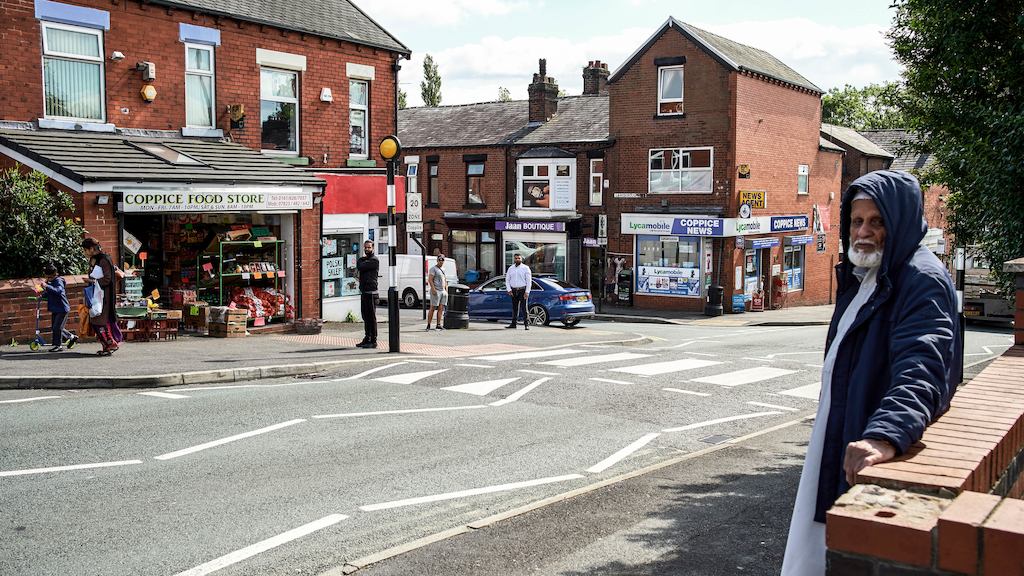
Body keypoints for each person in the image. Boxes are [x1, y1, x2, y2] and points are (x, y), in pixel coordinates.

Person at [781, 170, 961, 575]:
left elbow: (923, 365)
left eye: (877, 221)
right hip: (840, 433)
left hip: (863, 433)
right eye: (857, 221)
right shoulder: (872, 275)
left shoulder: (920, 279)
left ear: (899, 222)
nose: (864, 232)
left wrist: (885, 435)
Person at [81, 238, 121, 356]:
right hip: (96, 295)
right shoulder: (95, 260)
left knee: (98, 321)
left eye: (85, 250)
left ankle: (110, 343)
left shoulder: (104, 260)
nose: (84, 252)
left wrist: (92, 281)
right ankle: (106, 347)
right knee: (96, 320)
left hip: (104, 296)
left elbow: (107, 279)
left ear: (92, 249)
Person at [37, 263, 78, 352]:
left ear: (54, 275)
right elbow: (49, 293)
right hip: (55, 308)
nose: (47, 279)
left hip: (62, 308)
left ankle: (58, 345)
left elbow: (58, 291)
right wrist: (42, 295)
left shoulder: (59, 281)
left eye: (49, 277)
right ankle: (71, 337)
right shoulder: (50, 282)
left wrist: (47, 286)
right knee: (56, 327)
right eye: (46, 277)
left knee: (57, 327)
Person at [356, 240, 379, 348]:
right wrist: (362, 263)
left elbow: (361, 266)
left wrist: (362, 263)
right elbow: (359, 264)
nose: (367, 249)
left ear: (373, 248)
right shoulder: (363, 259)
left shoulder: (374, 260)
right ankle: (367, 337)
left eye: (369, 247)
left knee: (371, 317)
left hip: (371, 293)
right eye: (365, 247)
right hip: (364, 292)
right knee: (365, 316)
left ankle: (373, 340)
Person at [505, 253, 532, 330]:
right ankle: (513, 324)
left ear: (521, 259)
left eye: (519, 258)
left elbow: (529, 281)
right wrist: (509, 289)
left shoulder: (526, 268)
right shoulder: (510, 268)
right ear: (514, 259)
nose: (517, 259)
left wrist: (527, 292)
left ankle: (526, 324)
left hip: (522, 290)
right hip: (513, 290)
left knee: (524, 308)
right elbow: (507, 280)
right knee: (514, 308)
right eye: (516, 258)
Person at [426, 254, 448, 331]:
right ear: (437, 260)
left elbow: (445, 280)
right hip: (436, 291)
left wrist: (446, 290)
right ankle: (428, 324)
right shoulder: (433, 269)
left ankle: (438, 324)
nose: (441, 262)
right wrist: (433, 289)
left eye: (442, 260)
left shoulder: (443, 269)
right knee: (433, 307)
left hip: (443, 291)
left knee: (441, 308)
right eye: (440, 260)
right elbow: (430, 279)